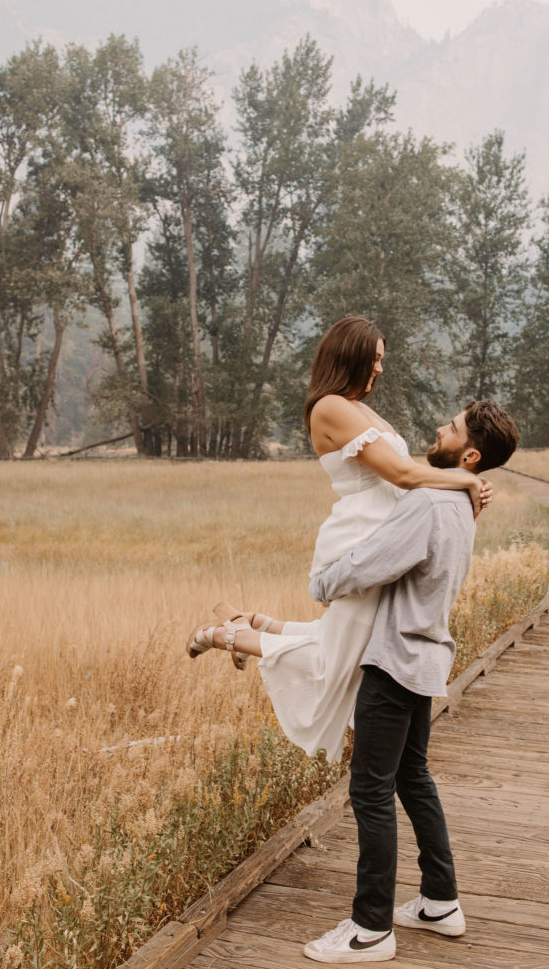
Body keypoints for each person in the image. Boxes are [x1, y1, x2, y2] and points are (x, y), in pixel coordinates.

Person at [186, 316, 491, 763]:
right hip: (360, 533)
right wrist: (463, 480)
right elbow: (403, 475)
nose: (381, 369)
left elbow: (409, 477)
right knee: (336, 656)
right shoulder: (329, 406)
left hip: (385, 535)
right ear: (354, 355)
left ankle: (250, 623)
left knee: (345, 643)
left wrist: (460, 490)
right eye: (377, 359)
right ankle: (220, 635)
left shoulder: (362, 409)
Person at [301, 399, 520, 963]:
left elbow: (374, 559)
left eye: (450, 428)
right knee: (412, 778)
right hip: (425, 658)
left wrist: (323, 582)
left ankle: (370, 929)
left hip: (395, 660)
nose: (438, 429)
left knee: (370, 791)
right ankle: (439, 901)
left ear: (467, 454)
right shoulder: (463, 502)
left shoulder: (431, 500)